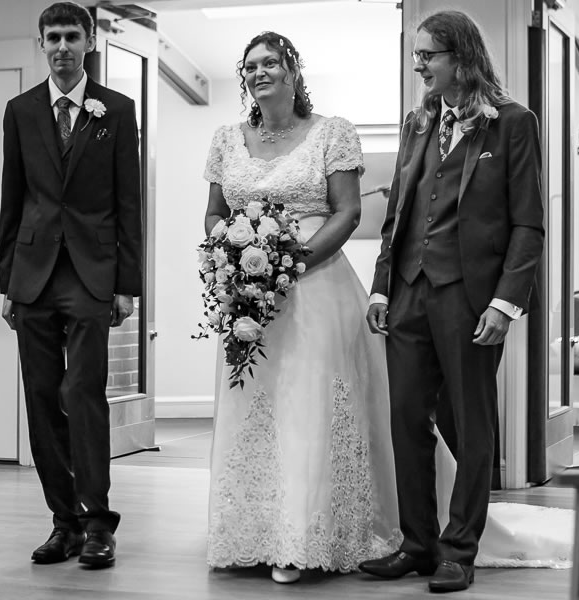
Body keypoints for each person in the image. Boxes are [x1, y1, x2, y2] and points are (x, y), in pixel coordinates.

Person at [202, 32, 401, 584]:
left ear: (293, 71)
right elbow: (214, 213)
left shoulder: (331, 132)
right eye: (250, 66)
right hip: (249, 295)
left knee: (308, 406)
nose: (259, 72)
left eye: (271, 62)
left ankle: (304, 537)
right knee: (253, 404)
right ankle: (252, 533)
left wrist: (289, 262)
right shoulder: (226, 140)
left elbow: (347, 212)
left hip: (317, 288)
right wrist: (234, 257)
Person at [360, 11, 545, 593]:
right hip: (409, 292)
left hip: (470, 297)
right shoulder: (417, 121)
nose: (418, 65)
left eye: (428, 55)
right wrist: (382, 285)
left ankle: (459, 549)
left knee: (470, 419)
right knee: (406, 418)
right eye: (416, 55)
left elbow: (528, 224)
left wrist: (505, 303)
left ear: (461, 57)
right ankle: (417, 544)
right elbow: (398, 214)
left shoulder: (513, 123)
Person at [0, 1, 143, 568]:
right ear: (42, 43)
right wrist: (8, 280)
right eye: (53, 37)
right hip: (32, 276)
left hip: (91, 273)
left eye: (72, 37)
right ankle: (63, 523)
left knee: (81, 394)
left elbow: (128, 203)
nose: (62, 47)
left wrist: (127, 284)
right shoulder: (20, 110)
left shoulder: (118, 110)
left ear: (89, 42)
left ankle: (97, 522)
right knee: (40, 400)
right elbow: (12, 199)